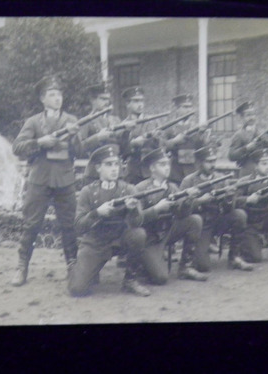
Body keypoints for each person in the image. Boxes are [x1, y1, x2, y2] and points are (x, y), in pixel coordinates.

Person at [11, 75, 81, 286]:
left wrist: (75, 135)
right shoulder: (33, 122)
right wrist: (40, 142)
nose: (57, 98)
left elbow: (79, 150)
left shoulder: (72, 120)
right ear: (43, 98)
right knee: (31, 225)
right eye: (52, 94)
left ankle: (73, 266)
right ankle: (22, 267)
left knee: (69, 225)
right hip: (39, 179)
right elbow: (17, 147)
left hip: (65, 179)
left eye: (59, 94)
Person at [68, 144, 151, 297]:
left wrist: (132, 209)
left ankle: (130, 280)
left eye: (116, 164)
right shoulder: (88, 192)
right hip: (96, 241)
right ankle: (78, 266)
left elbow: (138, 222)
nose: (114, 169)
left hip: (120, 238)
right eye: (108, 164)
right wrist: (97, 213)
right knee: (77, 289)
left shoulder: (128, 189)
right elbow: (79, 226)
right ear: (98, 168)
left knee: (139, 234)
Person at [135, 148, 208, 282]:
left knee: (194, 220)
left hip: (168, 231)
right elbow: (136, 220)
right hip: (150, 237)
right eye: (162, 164)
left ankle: (186, 266)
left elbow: (182, 215)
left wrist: (187, 201)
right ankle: (143, 263)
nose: (167, 168)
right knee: (160, 278)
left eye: (168, 164)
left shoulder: (173, 187)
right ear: (152, 168)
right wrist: (156, 209)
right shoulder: (140, 188)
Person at [180, 146, 252, 272]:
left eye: (214, 161)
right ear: (199, 163)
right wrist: (200, 201)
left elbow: (228, 208)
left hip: (218, 220)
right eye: (209, 162)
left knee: (239, 215)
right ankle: (199, 252)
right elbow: (182, 209)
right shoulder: (189, 181)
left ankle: (235, 257)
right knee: (203, 266)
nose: (212, 165)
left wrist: (229, 198)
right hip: (202, 226)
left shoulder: (220, 178)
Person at [121, 86, 164, 185]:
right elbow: (121, 150)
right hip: (133, 170)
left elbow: (163, 146)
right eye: (136, 101)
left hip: (151, 170)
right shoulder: (123, 125)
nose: (140, 105)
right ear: (128, 104)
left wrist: (157, 139)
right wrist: (133, 144)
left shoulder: (154, 122)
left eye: (141, 101)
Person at [165, 94, 210, 184]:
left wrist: (202, 135)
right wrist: (174, 141)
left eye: (190, 107)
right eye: (185, 107)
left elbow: (202, 148)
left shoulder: (196, 127)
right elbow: (162, 147)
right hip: (176, 171)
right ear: (177, 109)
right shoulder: (169, 127)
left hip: (193, 169)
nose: (188, 110)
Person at [228, 101, 268, 177]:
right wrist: (246, 148)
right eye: (248, 115)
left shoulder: (262, 133)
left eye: (253, 114)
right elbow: (231, 156)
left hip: (263, 171)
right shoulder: (239, 135)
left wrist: (266, 154)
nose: (251, 118)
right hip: (247, 172)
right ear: (242, 117)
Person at [79, 83, 124, 156]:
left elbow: (123, 145)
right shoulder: (86, 121)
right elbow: (80, 147)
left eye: (108, 99)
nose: (107, 102)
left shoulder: (116, 120)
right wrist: (97, 137)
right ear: (93, 100)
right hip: (96, 160)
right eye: (103, 99)